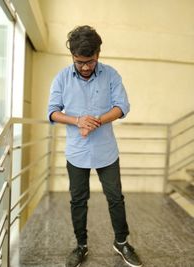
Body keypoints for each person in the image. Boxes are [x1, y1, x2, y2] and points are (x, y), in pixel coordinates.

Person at [48, 25, 142, 267]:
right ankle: (81, 246)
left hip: (106, 152)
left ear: (98, 54)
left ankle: (121, 243)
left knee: (116, 198)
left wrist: (96, 121)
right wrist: (77, 120)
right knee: (78, 200)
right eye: (79, 62)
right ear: (73, 57)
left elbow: (122, 107)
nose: (85, 67)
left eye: (89, 61)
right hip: (76, 152)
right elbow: (53, 112)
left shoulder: (111, 75)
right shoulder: (61, 77)